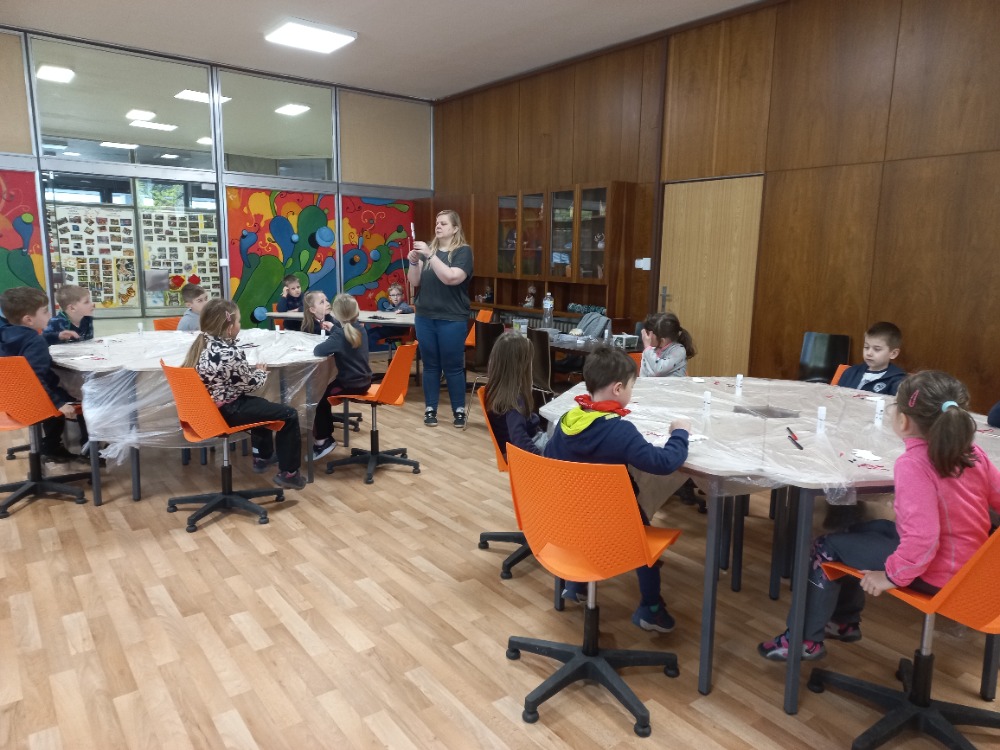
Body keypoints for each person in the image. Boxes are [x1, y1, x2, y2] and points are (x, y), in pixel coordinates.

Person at [758, 370, 1000, 662]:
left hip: (940, 573)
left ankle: (803, 640)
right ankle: (843, 621)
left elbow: (924, 538)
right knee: (857, 531)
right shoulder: (973, 453)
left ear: (903, 420)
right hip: (974, 569)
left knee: (824, 549)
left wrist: (892, 576)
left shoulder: (913, 465)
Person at [544, 344, 691, 632]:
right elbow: (663, 463)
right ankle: (651, 609)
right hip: (613, 528)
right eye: (631, 387)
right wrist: (680, 433)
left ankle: (575, 584)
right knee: (640, 531)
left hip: (568, 521)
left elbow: (550, 460)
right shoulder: (618, 430)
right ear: (618, 388)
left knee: (592, 513)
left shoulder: (567, 421)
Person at [181, 298, 306, 490]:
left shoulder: (203, 344)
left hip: (209, 410)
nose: (240, 325)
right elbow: (249, 385)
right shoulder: (229, 352)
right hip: (227, 411)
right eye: (238, 321)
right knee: (288, 414)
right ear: (229, 327)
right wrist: (260, 373)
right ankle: (289, 473)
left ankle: (262, 456)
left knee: (262, 406)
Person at [0, 287, 86, 462]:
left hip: (10, 401)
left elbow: (25, 342)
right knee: (85, 399)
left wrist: (55, 336)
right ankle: (86, 451)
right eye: (45, 311)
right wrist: (58, 403)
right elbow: (35, 380)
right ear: (29, 319)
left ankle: (50, 444)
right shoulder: (35, 342)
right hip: (36, 403)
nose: (50, 316)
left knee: (55, 393)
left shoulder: (6, 334)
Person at [407, 210, 474, 428]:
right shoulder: (429, 252)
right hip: (425, 317)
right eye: (437, 223)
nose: (438, 226)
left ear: (455, 228)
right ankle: (430, 409)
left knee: (453, 366)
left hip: (452, 318)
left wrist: (430, 255)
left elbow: (451, 278)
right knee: (430, 365)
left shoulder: (463, 252)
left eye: (443, 223)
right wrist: (413, 262)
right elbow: (415, 282)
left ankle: (458, 411)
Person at [312, 293, 373, 461]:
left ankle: (322, 440)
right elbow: (346, 336)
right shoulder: (361, 329)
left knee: (319, 397)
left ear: (336, 315)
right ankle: (325, 437)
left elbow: (318, 350)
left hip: (349, 384)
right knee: (324, 393)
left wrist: (334, 332)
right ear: (356, 311)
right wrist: (334, 329)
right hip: (365, 381)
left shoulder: (339, 336)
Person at [485, 332, 548, 457]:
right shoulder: (514, 400)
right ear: (522, 367)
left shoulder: (497, 391)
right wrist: (541, 458)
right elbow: (519, 439)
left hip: (532, 442)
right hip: (533, 449)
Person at [837, 321, 905, 395]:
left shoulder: (898, 380)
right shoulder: (850, 372)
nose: (869, 353)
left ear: (893, 353)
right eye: (866, 347)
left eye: (877, 349)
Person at [639, 312, 696, 378]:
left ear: (662, 341)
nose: (645, 336)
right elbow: (643, 375)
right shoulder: (649, 350)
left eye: (648, 333)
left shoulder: (678, 351)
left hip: (674, 384)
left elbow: (659, 369)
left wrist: (648, 350)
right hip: (652, 385)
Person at [366, 282, 413, 352]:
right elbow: (387, 315)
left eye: (398, 295)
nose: (395, 297)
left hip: (397, 330)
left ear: (402, 296)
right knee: (369, 332)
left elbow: (409, 309)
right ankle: (368, 350)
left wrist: (402, 310)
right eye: (393, 295)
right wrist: (381, 314)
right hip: (389, 328)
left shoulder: (403, 305)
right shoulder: (391, 306)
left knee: (373, 335)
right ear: (390, 298)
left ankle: (374, 352)